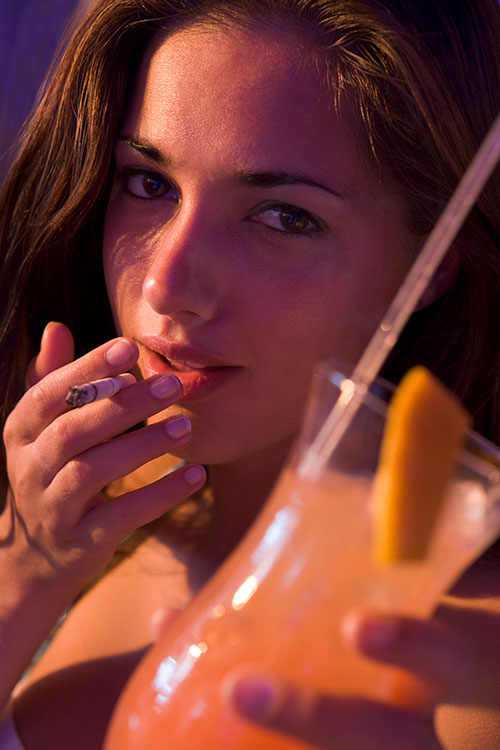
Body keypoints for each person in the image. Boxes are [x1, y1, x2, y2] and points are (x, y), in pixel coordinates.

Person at [0, 0, 498, 747]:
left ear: (431, 266)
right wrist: (23, 583)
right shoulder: (42, 507)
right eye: (149, 183)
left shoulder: (460, 678)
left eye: (285, 217)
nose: (168, 286)